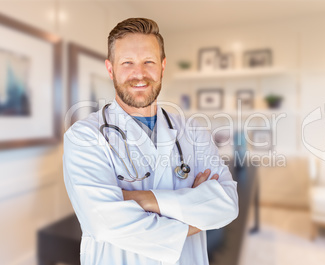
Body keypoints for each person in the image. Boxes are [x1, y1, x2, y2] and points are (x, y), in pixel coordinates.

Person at [63, 17, 238, 265]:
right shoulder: (84, 136)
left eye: (149, 62)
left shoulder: (193, 131)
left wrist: (144, 199)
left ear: (163, 66)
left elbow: (227, 203)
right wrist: (196, 213)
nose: (139, 74)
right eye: (127, 63)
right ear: (110, 68)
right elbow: (103, 222)